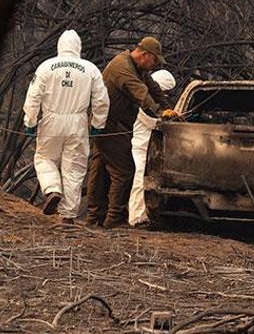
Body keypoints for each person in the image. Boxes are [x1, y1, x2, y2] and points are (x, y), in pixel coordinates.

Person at [86, 37, 179, 228]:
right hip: (109, 126)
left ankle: (94, 217)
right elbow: (140, 93)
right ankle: (114, 218)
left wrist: (169, 108)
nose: (154, 66)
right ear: (146, 55)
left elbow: (152, 87)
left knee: (101, 168)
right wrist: (159, 112)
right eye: (154, 61)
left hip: (110, 125)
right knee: (124, 170)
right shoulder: (123, 67)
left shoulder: (138, 68)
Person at [23, 30, 109, 224]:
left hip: (51, 121)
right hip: (77, 123)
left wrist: (30, 121)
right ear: (78, 47)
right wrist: (97, 123)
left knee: (44, 158)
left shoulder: (46, 67)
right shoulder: (90, 69)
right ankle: (68, 216)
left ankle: (53, 189)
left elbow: (33, 95)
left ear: (60, 46)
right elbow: (102, 99)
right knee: (74, 168)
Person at [128, 69, 176, 227]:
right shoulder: (143, 103)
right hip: (140, 148)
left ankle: (146, 216)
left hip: (150, 150)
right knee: (139, 182)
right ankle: (136, 218)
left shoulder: (153, 102)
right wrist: (167, 118)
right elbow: (152, 121)